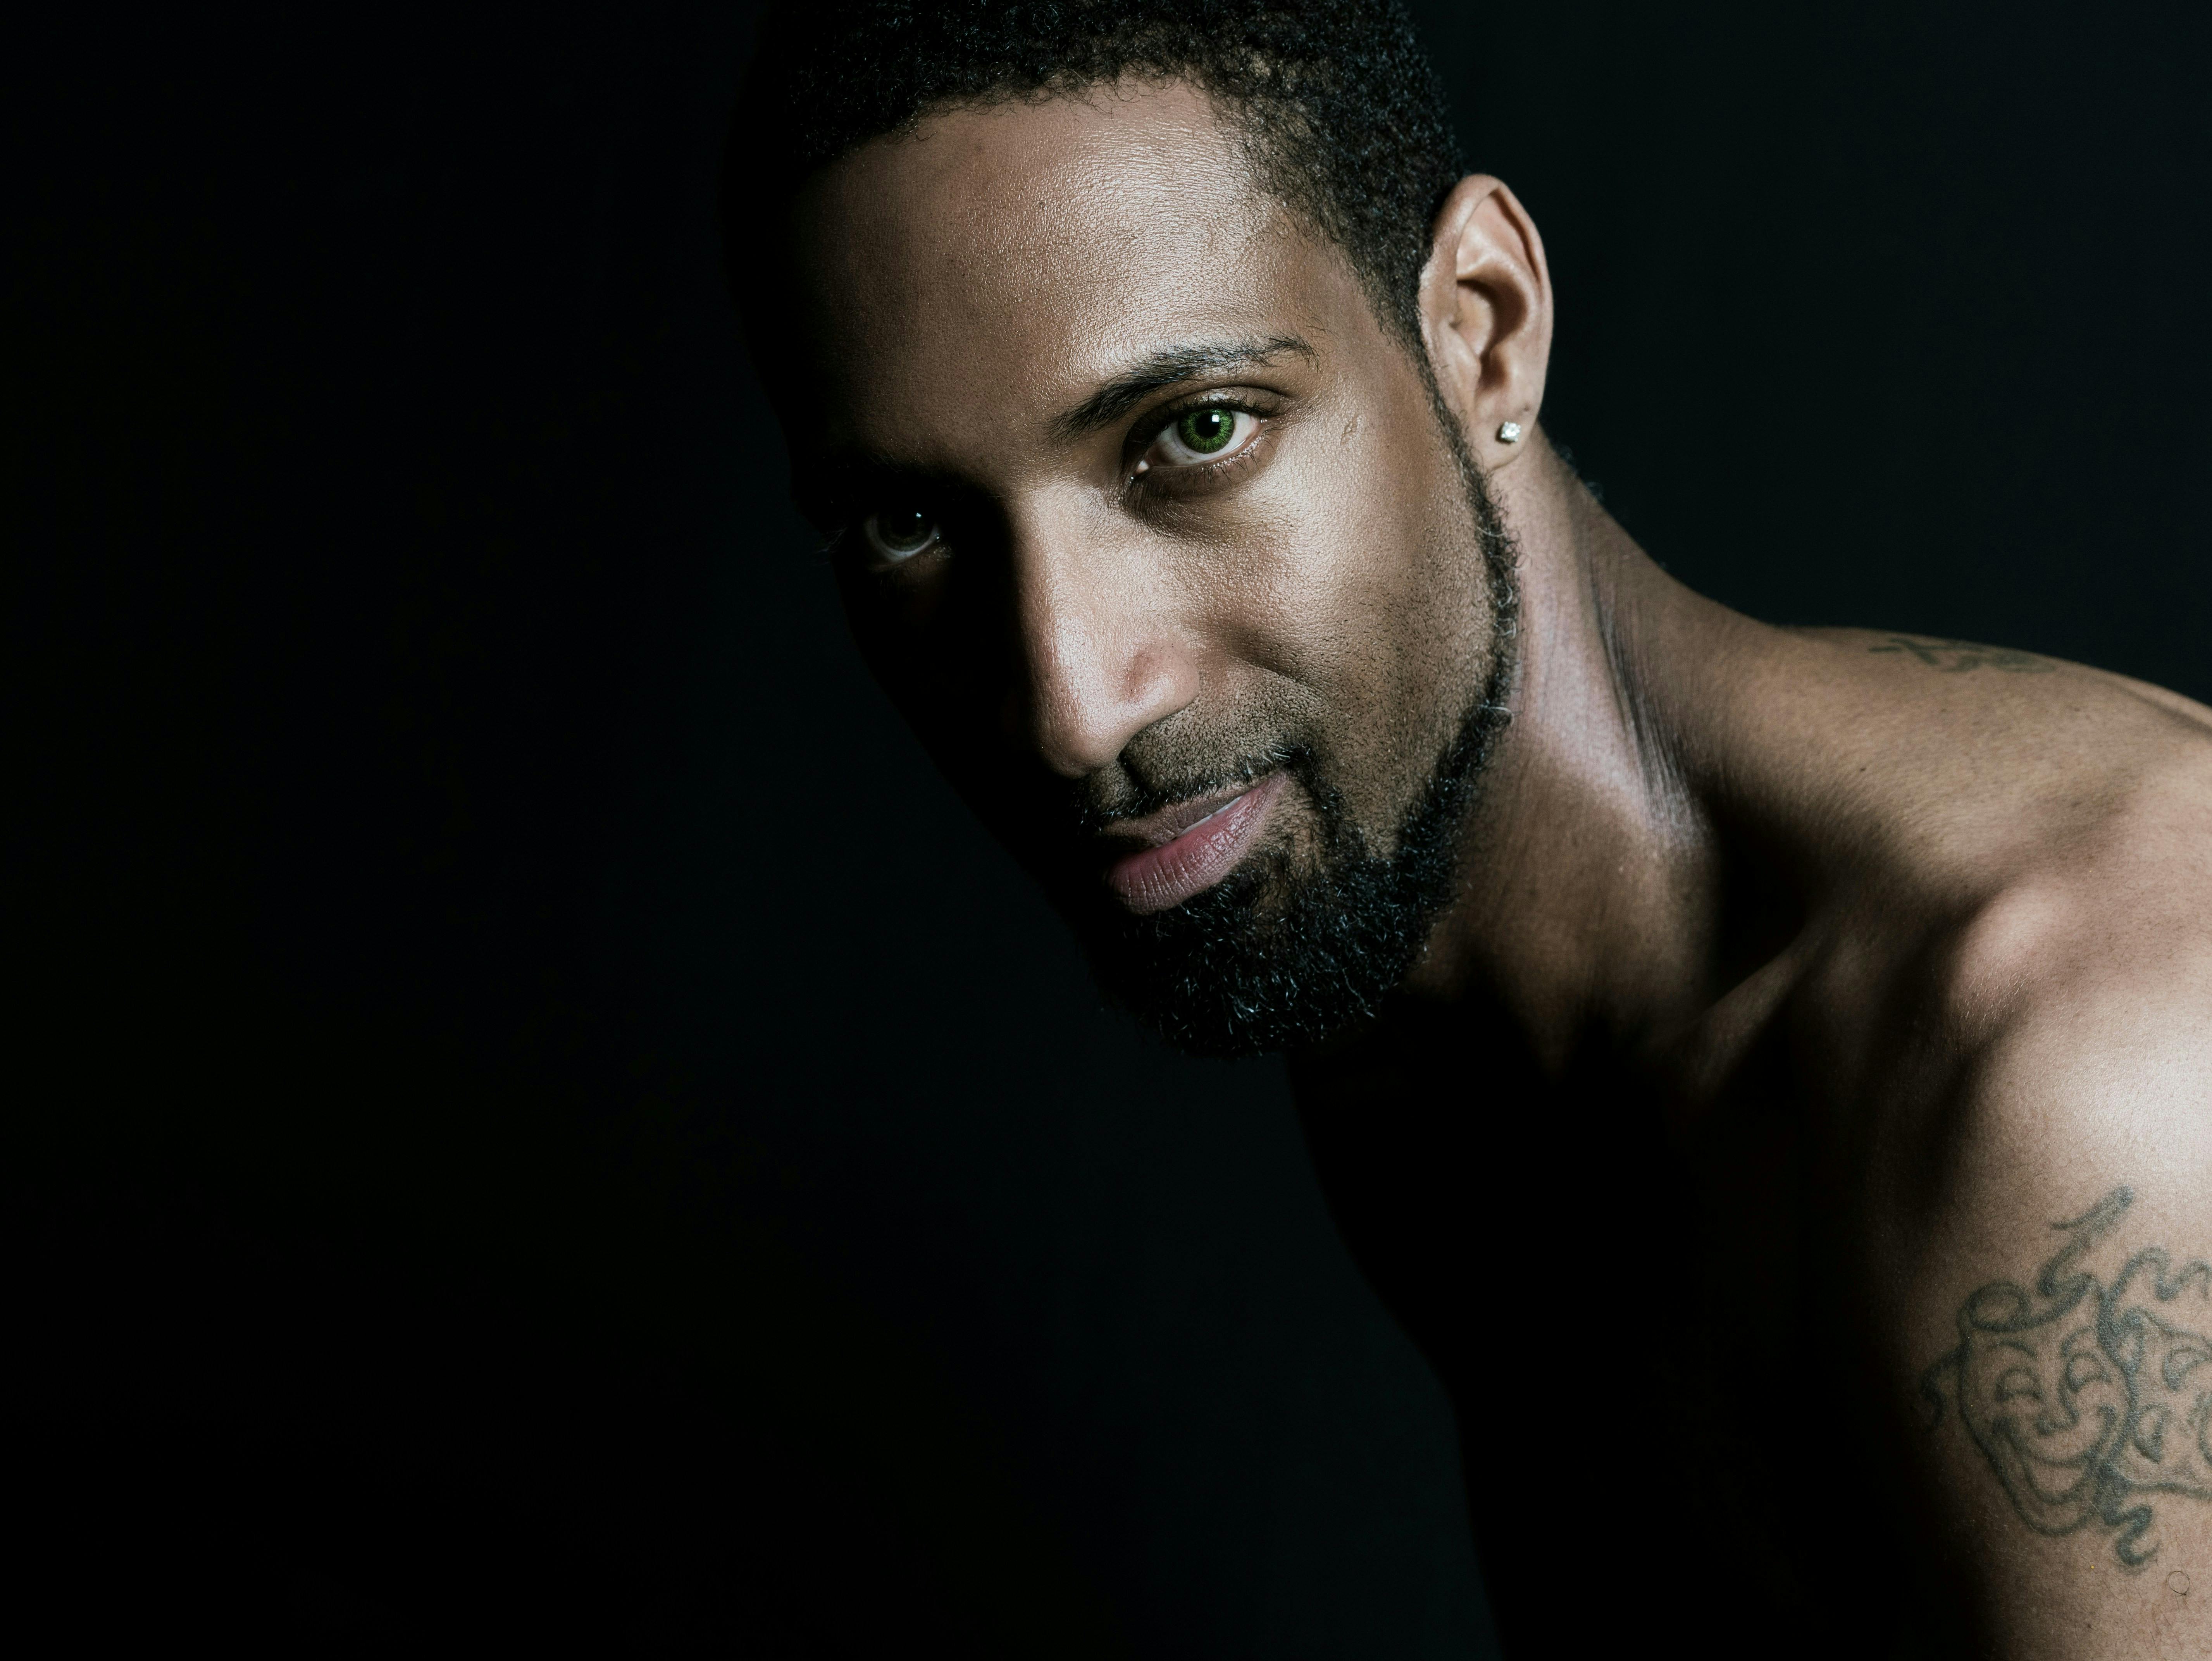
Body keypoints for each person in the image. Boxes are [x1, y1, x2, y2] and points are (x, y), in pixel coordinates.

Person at [723, 3, 2212, 1653]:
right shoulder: (1405, 1010)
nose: (1073, 702)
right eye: (911, 524)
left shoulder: (2078, 1076)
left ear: (1478, 330)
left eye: (1192, 433)